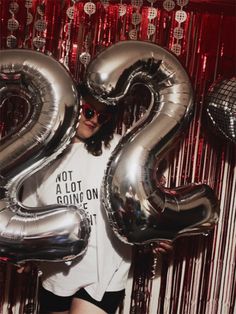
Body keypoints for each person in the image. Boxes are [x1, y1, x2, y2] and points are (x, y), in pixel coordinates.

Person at [19, 90, 173, 314]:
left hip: (105, 270)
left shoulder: (118, 150)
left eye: (103, 117)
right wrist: (25, 252)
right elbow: (30, 214)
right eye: (89, 111)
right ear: (71, 106)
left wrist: (159, 232)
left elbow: (142, 200)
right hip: (57, 271)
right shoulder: (43, 158)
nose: (94, 120)